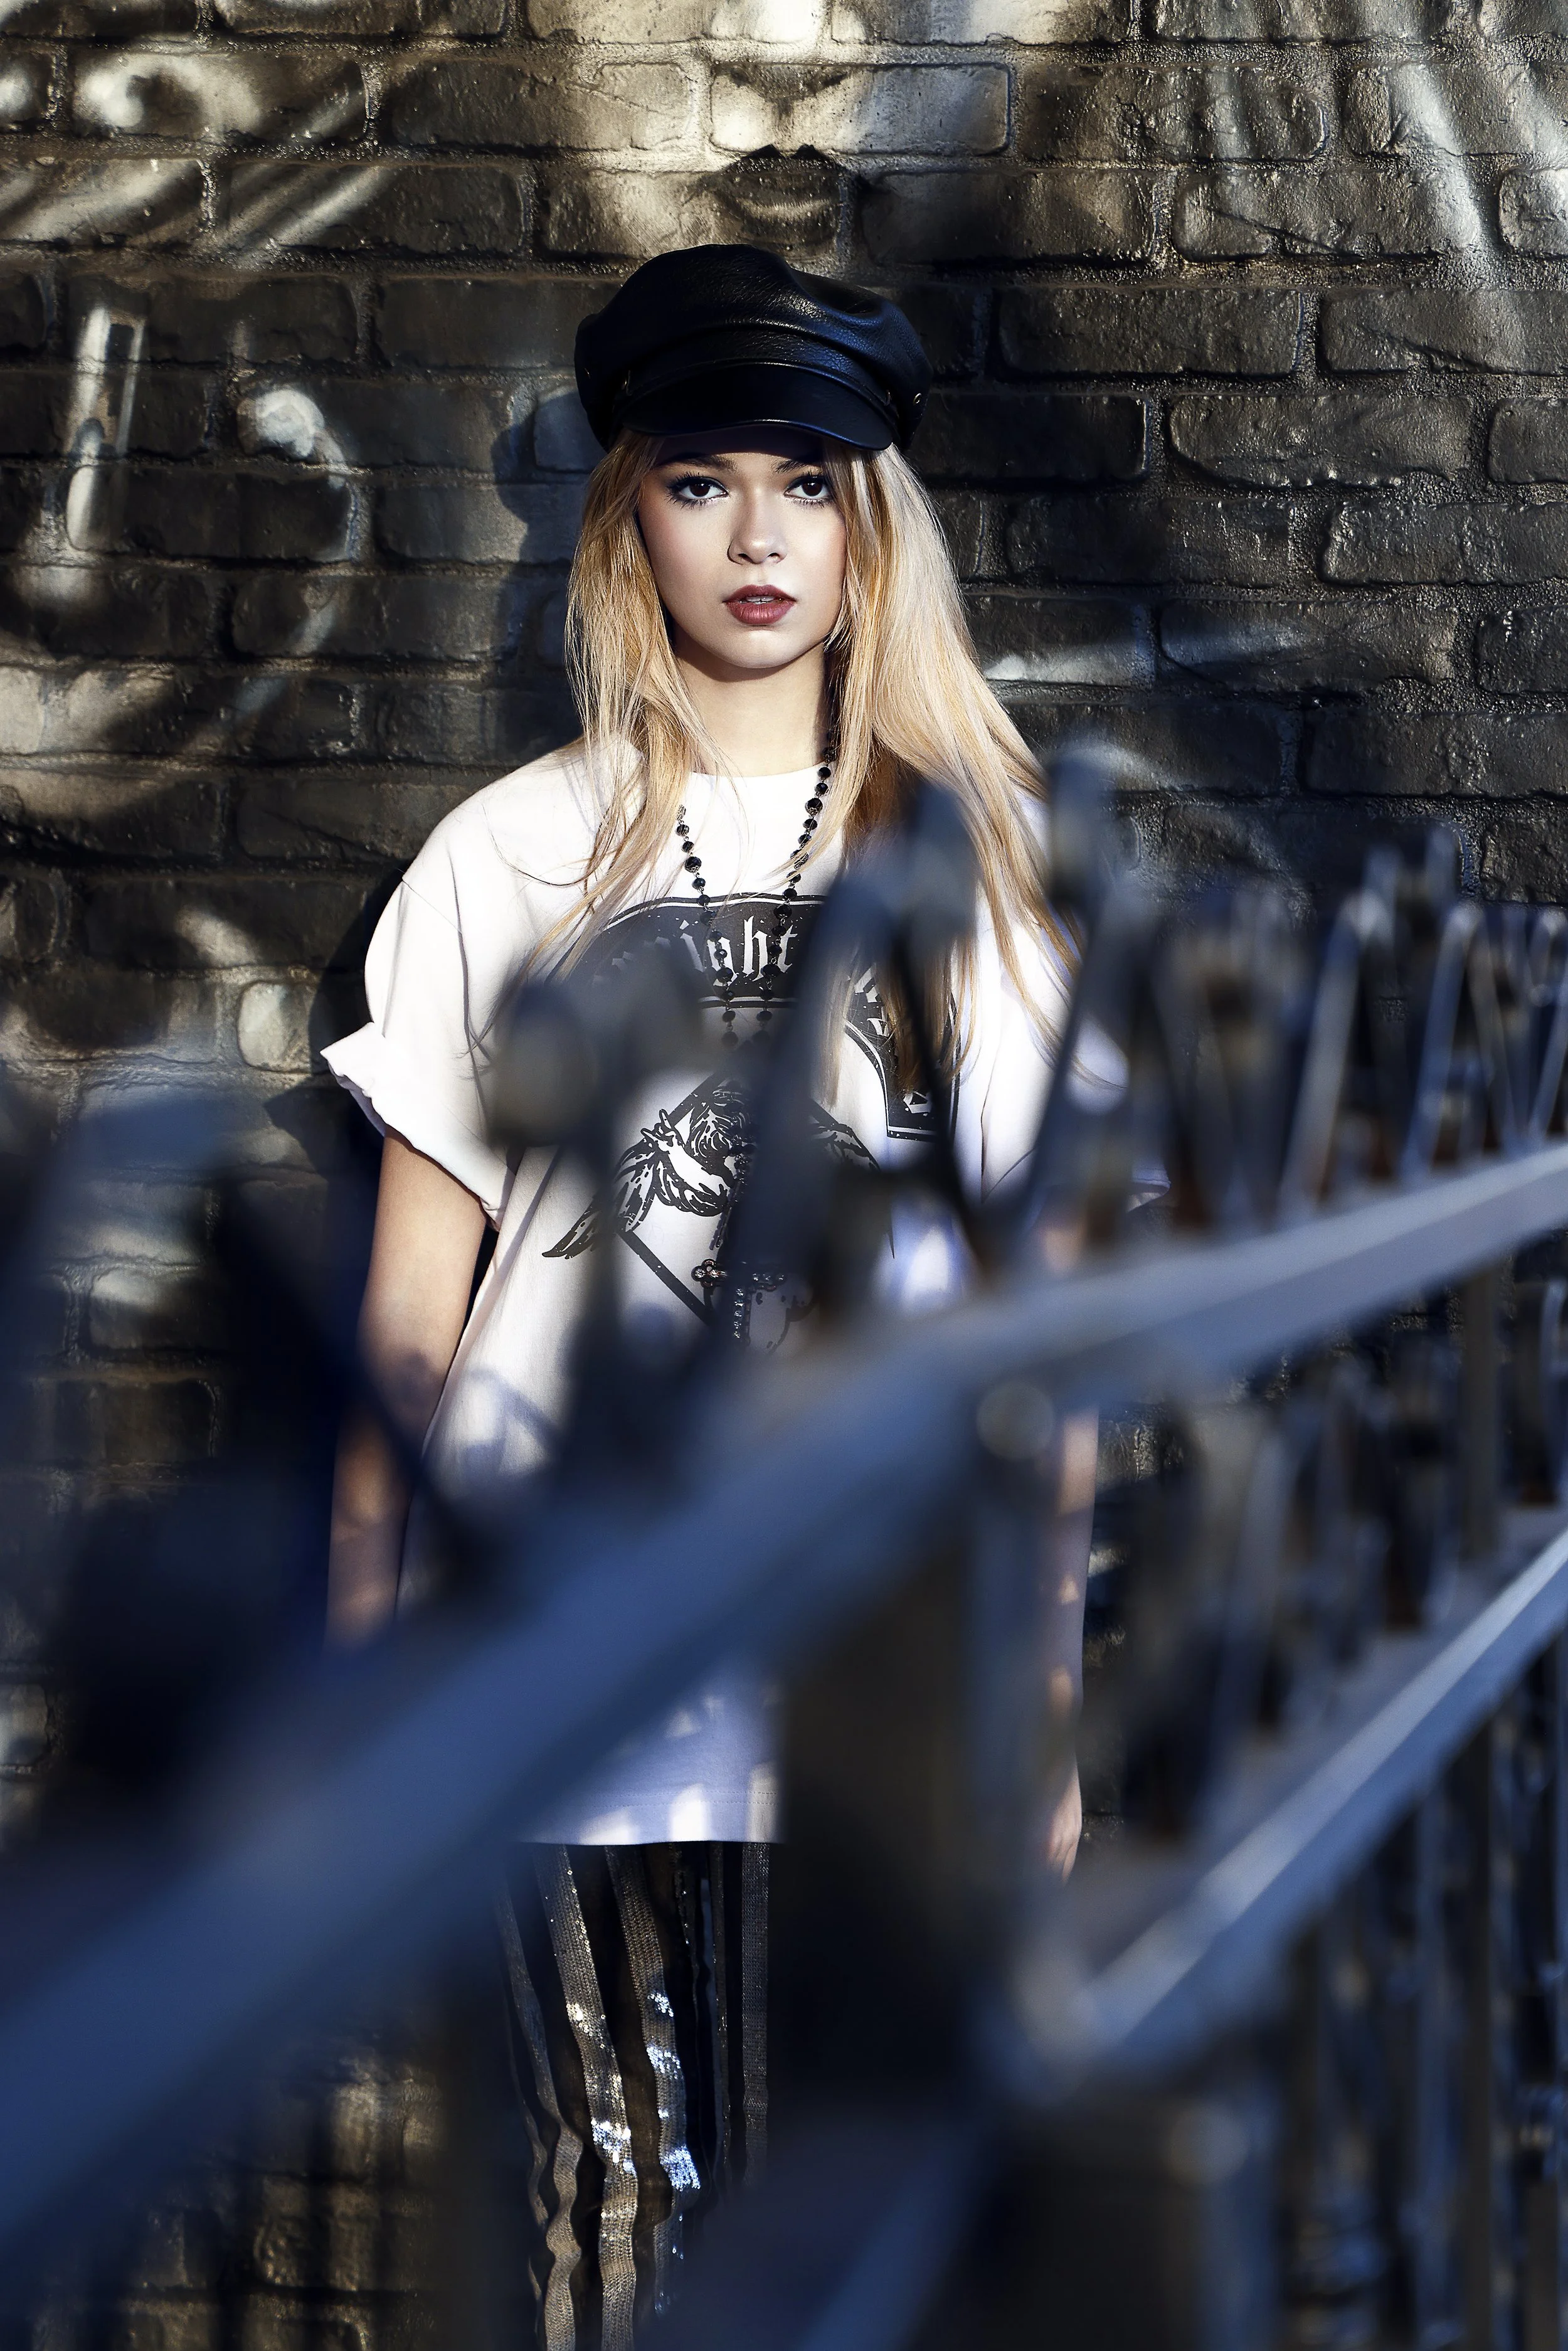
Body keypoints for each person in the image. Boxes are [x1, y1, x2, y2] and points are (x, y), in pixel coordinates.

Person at [322, 243, 1106, 2351]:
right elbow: (413, 1309)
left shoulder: (987, 856)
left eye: (805, 482)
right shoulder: (511, 856)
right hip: (562, 1632)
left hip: (867, 1648)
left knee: (836, 2208)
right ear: (625, 520)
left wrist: (1042, 1690)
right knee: (595, 2191)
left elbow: (1049, 1318)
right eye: (698, 482)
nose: (755, 537)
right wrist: (365, 1664)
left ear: (874, 528)